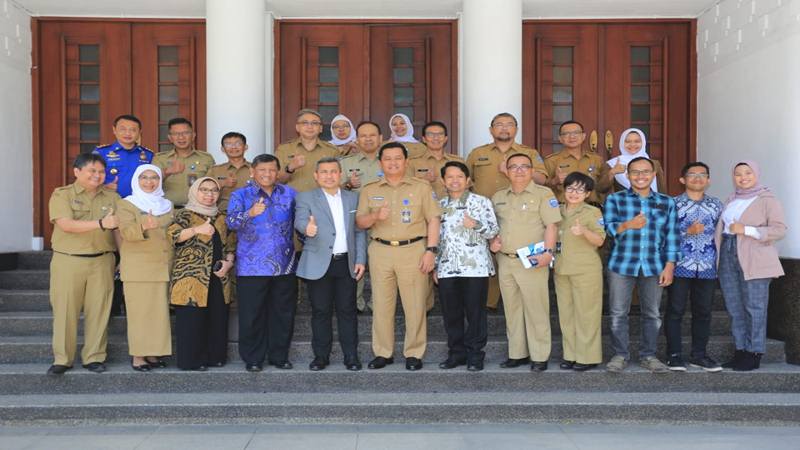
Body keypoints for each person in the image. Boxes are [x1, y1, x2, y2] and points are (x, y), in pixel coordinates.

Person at [356, 142, 441, 371]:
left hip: (413, 250)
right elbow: (360, 222)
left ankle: (414, 353)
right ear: (381, 162)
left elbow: (433, 219)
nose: (392, 163)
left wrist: (431, 250)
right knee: (382, 305)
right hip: (381, 250)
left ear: (406, 161)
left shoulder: (421, 187)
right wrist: (375, 215)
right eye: (387, 159)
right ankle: (383, 352)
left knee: (415, 305)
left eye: (397, 158)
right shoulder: (369, 189)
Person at [603, 156, 680, 373]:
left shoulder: (666, 202)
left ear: (653, 175)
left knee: (652, 313)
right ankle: (620, 355)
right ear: (627, 175)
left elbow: (672, 235)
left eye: (646, 172)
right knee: (618, 312)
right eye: (635, 172)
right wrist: (628, 225)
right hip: (621, 263)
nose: (640, 176)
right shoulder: (615, 200)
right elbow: (607, 229)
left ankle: (649, 355)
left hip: (654, 265)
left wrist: (670, 265)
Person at [46, 153, 120, 375]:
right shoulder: (62, 195)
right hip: (69, 260)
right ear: (77, 172)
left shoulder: (112, 198)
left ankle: (94, 357)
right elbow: (66, 224)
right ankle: (62, 359)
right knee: (65, 311)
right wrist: (100, 223)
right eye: (92, 171)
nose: (97, 175)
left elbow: (117, 230)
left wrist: (123, 258)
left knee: (99, 310)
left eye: (101, 171)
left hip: (102, 260)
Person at [466, 112, 548, 310]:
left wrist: (510, 171)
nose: (504, 128)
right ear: (491, 130)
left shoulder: (528, 152)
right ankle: (489, 302)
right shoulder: (477, 153)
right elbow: (465, 180)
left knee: (509, 251)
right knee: (487, 254)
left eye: (509, 124)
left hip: (520, 213)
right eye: (499, 124)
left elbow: (543, 179)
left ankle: (514, 299)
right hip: (484, 214)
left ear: (516, 129)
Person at [489, 153, 561, 372]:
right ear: (506, 171)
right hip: (506, 260)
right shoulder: (498, 196)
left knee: (536, 309)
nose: (519, 170)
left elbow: (552, 226)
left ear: (531, 170)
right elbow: (493, 227)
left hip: (532, 260)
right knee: (512, 309)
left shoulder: (543, 193)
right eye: (514, 167)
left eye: (524, 167)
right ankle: (517, 353)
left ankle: (539, 356)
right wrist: (493, 241)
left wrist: (549, 252)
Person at [227, 154, 298, 372]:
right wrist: (249, 213)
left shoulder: (290, 194)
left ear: (277, 172)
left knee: (283, 314)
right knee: (252, 315)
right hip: (252, 266)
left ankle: (279, 356)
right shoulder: (241, 195)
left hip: (284, 264)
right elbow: (230, 222)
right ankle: (253, 358)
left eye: (271, 170)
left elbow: (302, 222)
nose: (267, 174)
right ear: (252, 172)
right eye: (262, 170)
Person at [295, 157, 367, 371]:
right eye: (324, 172)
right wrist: (306, 229)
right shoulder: (306, 197)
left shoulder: (352, 198)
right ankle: (321, 357)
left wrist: (361, 258)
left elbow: (359, 231)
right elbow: (300, 220)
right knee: (320, 312)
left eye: (333, 171)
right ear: (316, 176)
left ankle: (351, 356)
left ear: (340, 174)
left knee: (347, 311)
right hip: (318, 262)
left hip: (346, 262)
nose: (329, 175)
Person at [716, 160, 786, 371]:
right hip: (729, 254)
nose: (743, 177)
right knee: (734, 306)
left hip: (755, 257)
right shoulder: (731, 199)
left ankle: (754, 352)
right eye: (738, 174)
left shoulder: (767, 199)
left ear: (756, 174)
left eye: (748, 173)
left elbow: (779, 229)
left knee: (754, 307)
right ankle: (740, 350)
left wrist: (746, 230)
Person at [435, 161, 499, 371]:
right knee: (451, 313)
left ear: (468, 180)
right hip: (446, 267)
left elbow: (493, 232)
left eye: (460, 176)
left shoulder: (481, 202)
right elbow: (435, 237)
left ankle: (475, 355)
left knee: (475, 313)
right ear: (443, 181)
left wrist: (476, 225)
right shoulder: (438, 204)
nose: (455, 180)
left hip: (475, 267)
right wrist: (435, 266)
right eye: (450, 177)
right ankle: (456, 354)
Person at [168, 177, 234, 371]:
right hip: (190, 277)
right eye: (204, 190)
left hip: (218, 276)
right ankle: (192, 361)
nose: (209, 194)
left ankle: (215, 357)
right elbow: (172, 235)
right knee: (191, 321)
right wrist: (197, 230)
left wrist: (229, 264)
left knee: (217, 317)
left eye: (213, 190)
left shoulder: (222, 216)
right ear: (195, 192)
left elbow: (231, 243)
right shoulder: (185, 214)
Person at [665, 162, 724, 372]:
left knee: (703, 312)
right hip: (680, 264)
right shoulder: (672, 204)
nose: (698, 178)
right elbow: (664, 235)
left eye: (702, 175)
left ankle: (699, 355)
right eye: (692, 174)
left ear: (708, 180)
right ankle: (674, 355)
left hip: (707, 265)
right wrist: (687, 232)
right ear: (682, 179)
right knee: (675, 310)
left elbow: (720, 236)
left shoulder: (717, 205)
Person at [117, 164, 174, 371]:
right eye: (144, 178)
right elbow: (125, 232)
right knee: (139, 313)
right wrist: (143, 226)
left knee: (158, 313)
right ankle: (138, 356)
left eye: (154, 178)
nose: (149, 182)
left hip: (163, 264)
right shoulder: (127, 204)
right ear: (136, 181)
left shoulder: (167, 204)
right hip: (139, 266)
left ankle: (153, 353)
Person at [554, 172, 606, 372]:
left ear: (587, 194)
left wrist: (584, 232)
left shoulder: (592, 213)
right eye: (570, 188)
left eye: (580, 190)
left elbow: (600, 240)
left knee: (587, 314)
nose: (574, 193)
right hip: (561, 268)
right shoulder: (556, 211)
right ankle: (571, 354)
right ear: (564, 190)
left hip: (586, 270)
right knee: (566, 315)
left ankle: (587, 356)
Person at [341, 121, 385, 313]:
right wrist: (347, 185)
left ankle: (378, 304)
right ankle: (355, 303)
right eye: (363, 135)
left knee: (381, 267)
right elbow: (331, 192)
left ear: (381, 138)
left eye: (372, 135)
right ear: (357, 140)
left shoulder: (389, 161)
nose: (368, 139)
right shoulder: (345, 163)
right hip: (354, 223)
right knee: (354, 264)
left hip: (384, 223)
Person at [152, 117, 216, 208]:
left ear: (193, 135)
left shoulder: (206, 158)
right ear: (170, 138)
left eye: (185, 133)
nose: (181, 137)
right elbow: (150, 184)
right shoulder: (159, 159)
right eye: (176, 134)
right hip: (166, 210)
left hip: (198, 210)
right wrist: (166, 172)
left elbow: (212, 186)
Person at [544, 120, 612, 205]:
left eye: (576, 132)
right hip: (562, 209)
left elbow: (604, 187)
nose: (572, 136)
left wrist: (612, 173)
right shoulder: (551, 161)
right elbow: (541, 188)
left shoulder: (597, 159)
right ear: (560, 138)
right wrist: (554, 181)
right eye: (566, 133)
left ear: (583, 136)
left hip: (591, 209)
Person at [275, 109, 340, 193]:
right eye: (305, 123)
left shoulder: (331, 150)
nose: (310, 126)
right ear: (297, 127)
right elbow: (276, 181)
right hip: (292, 202)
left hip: (322, 201)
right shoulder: (284, 149)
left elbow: (339, 180)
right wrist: (290, 168)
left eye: (314, 123)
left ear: (320, 128)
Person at [94, 114, 153, 198]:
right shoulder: (101, 152)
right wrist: (102, 187)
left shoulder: (148, 155)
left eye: (133, 130)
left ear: (139, 132)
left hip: (139, 203)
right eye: (123, 129)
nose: (128, 133)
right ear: (114, 130)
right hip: (109, 201)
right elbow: (88, 178)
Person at [407, 121, 464, 201]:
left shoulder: (458, 161)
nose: (436, 138)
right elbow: (405, 189)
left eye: (440, 134)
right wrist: (424, 180)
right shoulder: (412, 162)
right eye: (430, 134)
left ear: (445, 139)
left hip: (452, 209)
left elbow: (467, 187)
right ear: (424, 139)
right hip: (424, 210)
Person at [606, 128, 666, 194]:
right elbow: (600, 190)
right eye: (628, 141)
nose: (632, 144)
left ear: (643, 142)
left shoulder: (654, 164)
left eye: (637, 141)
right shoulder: (612, 164)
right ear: (622, 143)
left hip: (652, 203)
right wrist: (612, 172)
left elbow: (662, 190)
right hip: (623, 203)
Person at [209, 131, 252, 214]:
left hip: (251, 213)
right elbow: (203, 191)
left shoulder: (256, 169)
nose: (233, 147)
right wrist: (222, 183)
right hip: (223, 214)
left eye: (238, 143)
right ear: (222, 149)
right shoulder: (215, 170)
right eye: (228, 144)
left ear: (245, 147)